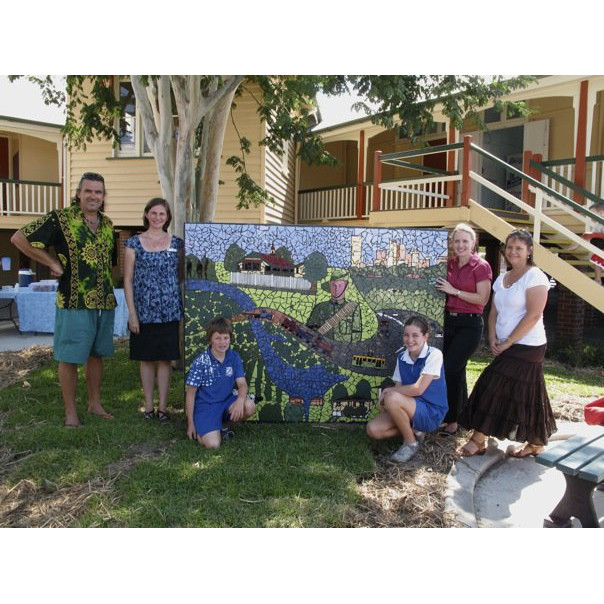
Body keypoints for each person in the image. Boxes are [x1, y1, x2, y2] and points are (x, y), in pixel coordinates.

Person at [10, 172, 116, 427]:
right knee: (69, 356)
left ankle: (94, 403)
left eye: (98, 192)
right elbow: (19, 238)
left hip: (103, 301)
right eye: (88, 191)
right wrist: (50, 261)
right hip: (73, 300)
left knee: (96, 355)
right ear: (78, 193)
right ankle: (70, 412)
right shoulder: (60, 219)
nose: (93, 196)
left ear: (103, 196)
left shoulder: (108, 225)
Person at [457, 228, 557, 458]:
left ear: (529, 251)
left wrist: (509, 341)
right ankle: (535, 442)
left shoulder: (536, 277)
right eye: (510, 247)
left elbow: (533, 315)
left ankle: (478, 439)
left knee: (492, 384)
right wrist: (492, 337)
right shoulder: (502, 278)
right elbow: (493, 310)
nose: (513, 252)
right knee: (526, 394)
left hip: (528, 346)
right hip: (504, 343)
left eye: (519, 248)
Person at [123, 198, 183, 422]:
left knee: (165, 360)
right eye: (154, 213)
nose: (158, 218)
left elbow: (181, 276)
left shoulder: (177, 243)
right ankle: (148, 407)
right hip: (144, 311)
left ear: (167, 218)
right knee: (146, 359)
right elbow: (127, 280)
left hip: (169, 311)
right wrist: (132, 313)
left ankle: (163, 408)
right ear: (147, 214)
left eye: (162, 214)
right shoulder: (133, 244)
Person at [435, 223, 492, 436]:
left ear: (473, 242)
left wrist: (454, 291)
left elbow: (482, 298)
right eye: (456, 241)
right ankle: (460, 417)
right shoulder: (448, 265)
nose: (460, 245)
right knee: (456, 371)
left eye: (464, 241)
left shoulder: (481, 266)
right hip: (449, 321)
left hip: (470, 324)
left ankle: (451, 420)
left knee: (450, 369)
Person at [366, 316, 448, 463]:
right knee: (373, 429)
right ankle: (416, 431)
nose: (409, 340)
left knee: (391, 396)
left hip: (431, 411)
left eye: (415, 335)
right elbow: (398, 388)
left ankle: (410, 443)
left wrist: (388, 392)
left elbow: (418, 389)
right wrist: (388, 403)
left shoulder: (434, 354)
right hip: (410, 407)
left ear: (426, 337)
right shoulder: (402, 358)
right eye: (406, 335)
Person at [185, 317, 256, 449]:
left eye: (226, 338)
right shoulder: (201, 362)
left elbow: (242, 384)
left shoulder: (233, 357)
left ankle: (223, 427)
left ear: (230, 339)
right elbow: (190, 394)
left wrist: (240, 400)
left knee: (249, 405)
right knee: (213, 445)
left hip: (226, 402)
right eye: (218, 338)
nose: (222, 342)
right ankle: (204, 429)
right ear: (210, 339)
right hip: (206, 407)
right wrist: (190, 424)